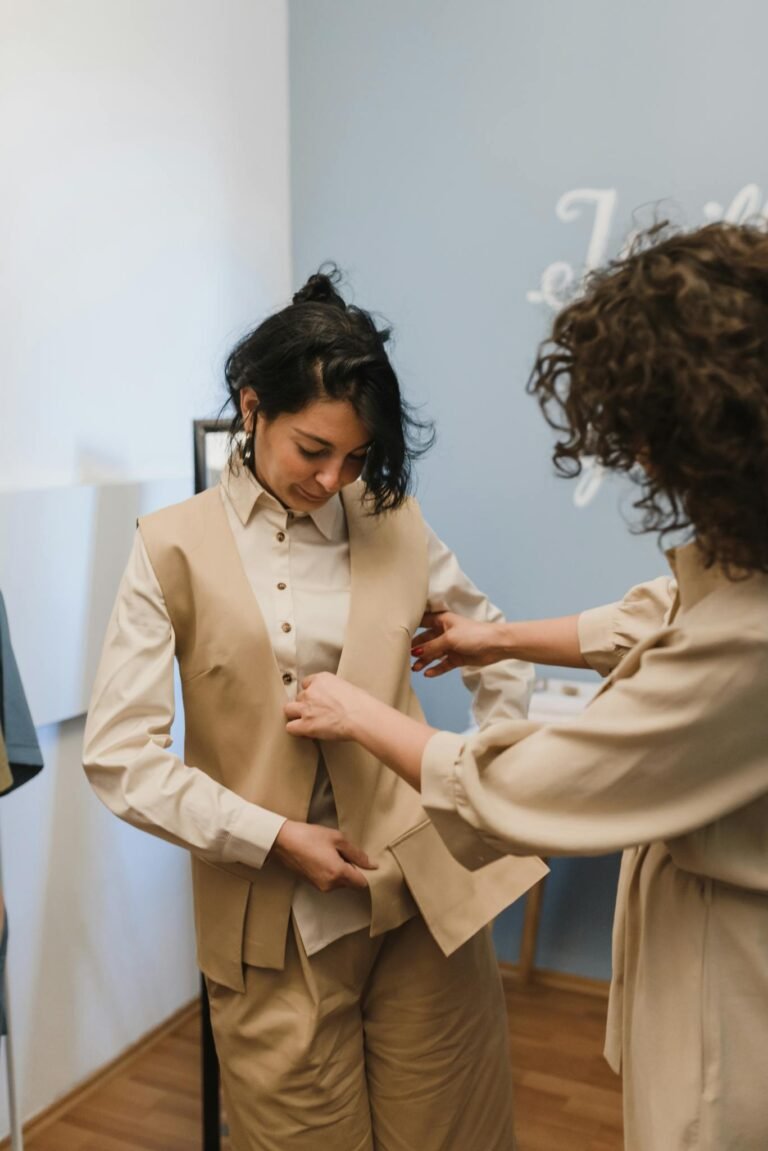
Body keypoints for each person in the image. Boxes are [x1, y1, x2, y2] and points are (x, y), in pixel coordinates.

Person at [284, 224, 768, 1151]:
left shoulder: (748, 642)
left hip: (735, 996)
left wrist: (363, 713)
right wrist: (491, 636)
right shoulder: (739, 568)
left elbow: (533, 784)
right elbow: (659, 612)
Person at [83, 269, 546, 1151]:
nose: (335, 479)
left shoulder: (393, 518)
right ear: (251, 407)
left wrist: (485, 780)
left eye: (357, 457)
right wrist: (270, 834)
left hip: (423, 903)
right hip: (271, 921)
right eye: (312, 450)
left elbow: (489, 641)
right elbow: (120, 757)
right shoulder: (168, 547)